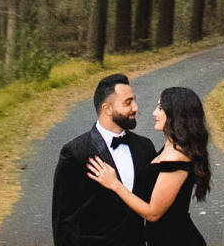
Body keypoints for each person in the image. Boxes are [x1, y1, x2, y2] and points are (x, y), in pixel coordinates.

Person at [84, 85, 212, 246]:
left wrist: (114, 184)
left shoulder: (176, 159)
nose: (154, 113)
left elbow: (153, 213)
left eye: (160, 108)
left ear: (176, 114)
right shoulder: (171, 146)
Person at [53, 73, 160, 246]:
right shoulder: (75, 153)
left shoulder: (145, 147)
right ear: (107, 109)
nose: (135, 107)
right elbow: (64, 220)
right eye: (128, 102)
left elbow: (154, 204)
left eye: (134, 100)